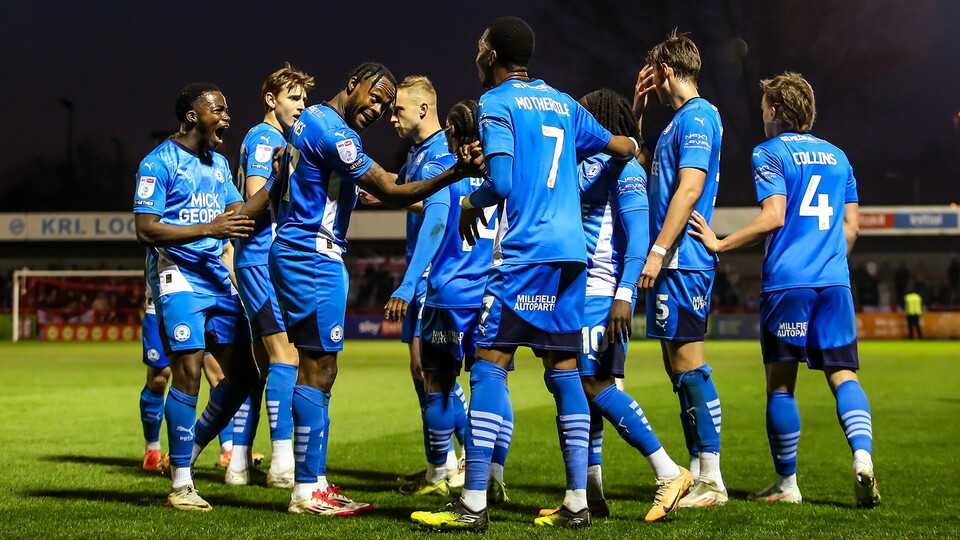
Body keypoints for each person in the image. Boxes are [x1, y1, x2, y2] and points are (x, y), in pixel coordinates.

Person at [411, 17, 638, 532]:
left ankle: (472, 503)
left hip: (524, 254)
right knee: (563, 371)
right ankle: (577, 500)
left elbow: (504, 182)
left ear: (491, 53)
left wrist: (472, 200)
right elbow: (618, 146)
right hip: (571, 258)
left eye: (479, 44)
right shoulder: (563, 102)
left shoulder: (494, 104)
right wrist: (633, 143)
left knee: (489, 363)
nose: (476, 50)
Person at [269, 62, 483, 516]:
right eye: (375, 96)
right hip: (313, 256)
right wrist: (454, 174)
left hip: (299, 250)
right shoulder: (334, 131)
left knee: (319, 368)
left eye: (388, 104)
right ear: (353, 84)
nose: (378, 108)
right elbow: (390, 188)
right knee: (319, 369)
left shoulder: (305, 123)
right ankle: (308, 490)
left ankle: (316, 482)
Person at [688, 72, 880, 508]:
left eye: (763, 109)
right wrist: (828, 258)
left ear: (775, 111)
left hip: (788, 283)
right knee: (843, 374)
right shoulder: (839, 156)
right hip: (834, 283)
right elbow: (851, 228)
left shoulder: (769, 152)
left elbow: (774, 217)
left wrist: (721, 242)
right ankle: (863, 457)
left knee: (780, 386)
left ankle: (786, 483)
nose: (761, 116)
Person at [562, 88, 690, 522]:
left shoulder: (627, 168)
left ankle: (668, 472)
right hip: (578, 295)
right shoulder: (589, 164)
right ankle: (591, 494)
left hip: (603, 295)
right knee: (583, 392)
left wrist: (624, 295)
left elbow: (638, 236)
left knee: (598, 386)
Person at [134, 83, 260, 511]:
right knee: (187, 374)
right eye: (218, 110)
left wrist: (281, 179)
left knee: (245, 374)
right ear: (192, 116)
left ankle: (194, 444)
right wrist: (210, 229)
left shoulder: (219, 164)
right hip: (177, 277)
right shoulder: (158, 163)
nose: (226, 116)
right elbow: (146, 229)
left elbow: (238, 212)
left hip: (215, 276)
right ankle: (181, 484)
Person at [388, 100, 510, 499]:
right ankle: (492, 475)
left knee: (436, 383)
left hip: (449, 293)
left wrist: (407, 285)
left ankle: (440, 471)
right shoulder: (503, 170)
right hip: (493, 291)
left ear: (453, 134)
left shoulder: (447, 170)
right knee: (492, 384)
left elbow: (436, 223)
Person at [633, 30, 726, 507]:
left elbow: (689, 187)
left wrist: (657, 251)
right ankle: (698, 469)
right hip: (673, 259)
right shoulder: (674, 123)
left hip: (682, 258)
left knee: (690, 366)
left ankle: (711, 479)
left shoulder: (699, 116)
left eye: (653, 70)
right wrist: (638, 110)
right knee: (677, 369)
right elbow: (640, 167)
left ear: (665, 69)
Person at [228, 64, 315, 488]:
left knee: (263, 366)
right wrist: (283, 176)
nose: (301, 106)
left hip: (255, 259)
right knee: (288, 358)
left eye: (303, 99)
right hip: (262, 258)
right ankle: (283, 465)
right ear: (271, 100)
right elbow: (254, 198)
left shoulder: (268, 138)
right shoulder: (266, 138)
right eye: (293, 98)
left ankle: (239, 464)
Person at [386, 76, 469, 491]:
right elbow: (404, 191)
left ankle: (465, 460)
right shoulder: (417, 152)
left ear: (422, 109)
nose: (391, 117)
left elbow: (442, 211)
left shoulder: (444, 152)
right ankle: (444, 462)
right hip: (421, 274)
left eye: (397, 109)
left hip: (435, 276)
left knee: (433, 371)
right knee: (423, 373)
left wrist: (410, 280)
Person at [139, 275, 171, 472]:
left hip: (207, 300)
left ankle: (230, 449)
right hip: (159, 305)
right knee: (158, 380)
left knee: (219, 377)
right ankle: (152, 449)